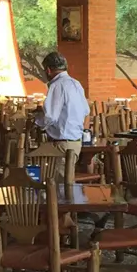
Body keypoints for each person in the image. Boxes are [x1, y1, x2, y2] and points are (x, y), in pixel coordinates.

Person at [35, 52, 90, 180]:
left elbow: (50, 117)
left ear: (48, 70)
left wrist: (36, 120)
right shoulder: (76, 84)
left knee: (57, 186)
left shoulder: (57, 85)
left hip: (61, 144)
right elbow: (86, 111)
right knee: (66, 183)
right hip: (75, 142)